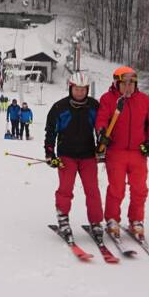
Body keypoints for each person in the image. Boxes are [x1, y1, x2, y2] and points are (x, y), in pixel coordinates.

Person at [95, 66, 149, 240]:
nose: (128, 87)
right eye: (125, 83)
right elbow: (101, 119)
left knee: (140, 189)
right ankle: (112, 220)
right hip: (116, 151)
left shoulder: (144, 100)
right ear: (117, 83)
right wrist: (102, 133)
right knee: (117, 188)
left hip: (138, 153)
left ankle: (136, 220)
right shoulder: (108, 99)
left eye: (132, 83)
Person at [44, 72, 104, 245]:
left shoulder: (93, 106)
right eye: (77, 89)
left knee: (92, 190)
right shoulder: (59, 107)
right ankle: (63, 219)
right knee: (65, 189)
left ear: (87, 90)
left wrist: (102, 143)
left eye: (83, 89)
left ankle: (95, 221)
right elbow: (51, 131)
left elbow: (100, 127)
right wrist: (49, 153)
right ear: (71, 88)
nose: (80, 93)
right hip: (66, 155)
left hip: (88, 155)